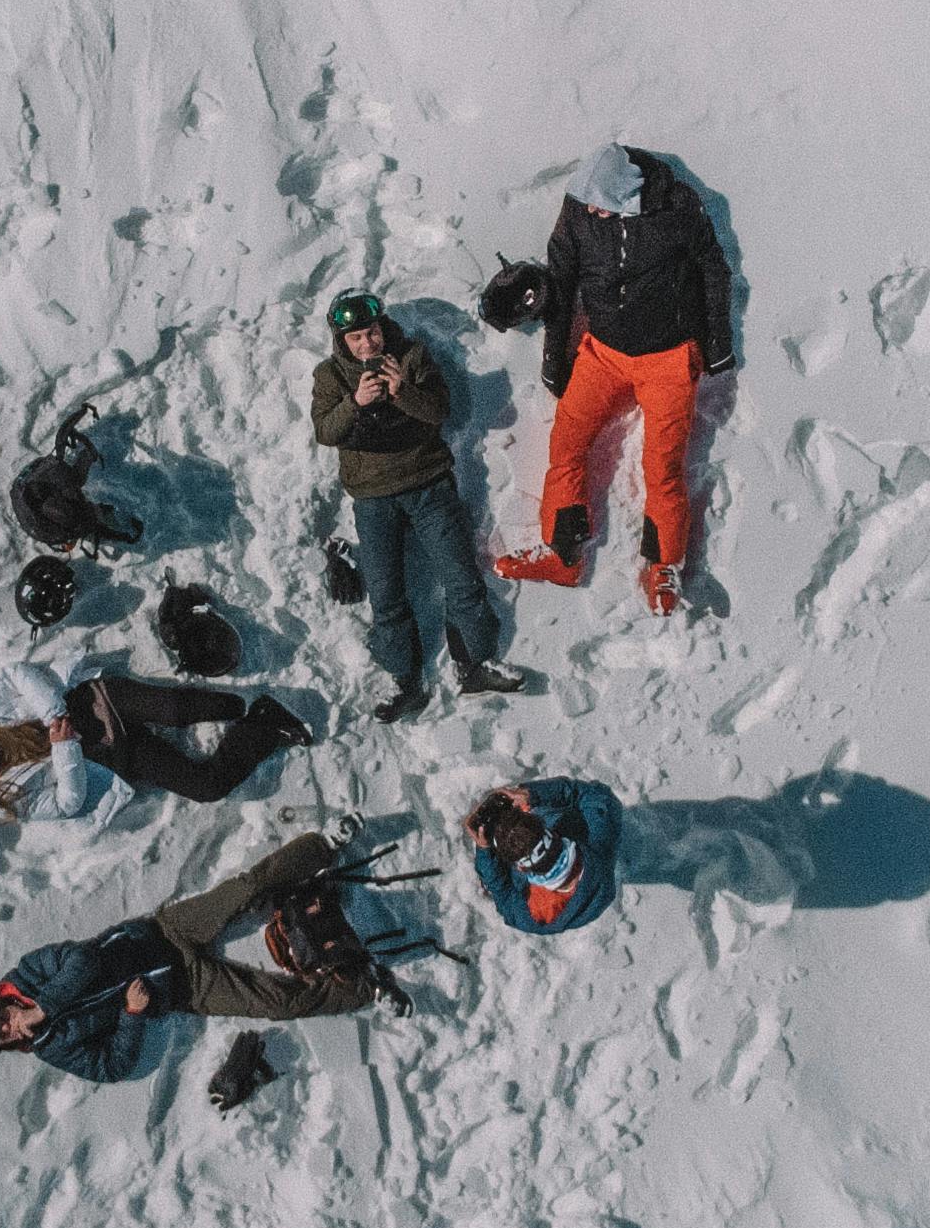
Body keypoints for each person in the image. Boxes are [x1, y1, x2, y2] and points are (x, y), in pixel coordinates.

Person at [0, 830, 393, 1105]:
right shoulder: (51, 1048)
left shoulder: (28, 975)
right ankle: (363, 988)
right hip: (183, 988)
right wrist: (131, 1015)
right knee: (277, 1002)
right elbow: (110, 1066)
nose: (8, 1030)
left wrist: (45, 1006)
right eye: (0, 1039)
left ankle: (323, 845)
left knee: (243, 890)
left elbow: (83, 958)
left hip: (164, 933)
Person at [493, 145, 732, 614]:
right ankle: (562, 554)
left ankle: (663, 566)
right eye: (589, 202)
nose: (595, 211)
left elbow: (712, 269)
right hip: (603, 354)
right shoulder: (579, 210)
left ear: (632, 196)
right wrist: (554, 359)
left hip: (669, 358)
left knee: (661, 466)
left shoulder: (677, 206)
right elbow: (560, 280)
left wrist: (718, 347)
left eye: (604, 203)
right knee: (566, 442)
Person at [310, 290, 521, 721]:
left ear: (381, 327)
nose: (367, 344)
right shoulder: (330, 375)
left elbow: (439, 410)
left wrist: (402, 391)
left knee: (461, 579)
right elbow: (325, 431)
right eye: (356, 339)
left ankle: (475, 663)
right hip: (372, 498)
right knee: (387, 595)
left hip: (428, 486)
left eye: (371, 333)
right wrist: (357, 402)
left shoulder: (412, 357)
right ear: (342, 342)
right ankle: (403, 680)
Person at [0, 653, 311, 828]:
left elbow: (16, 673)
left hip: (95, 702)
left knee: (178, 711)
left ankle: (240, 705)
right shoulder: (5, 800)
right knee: (205, 787)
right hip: (112, 755)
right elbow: (68, 803)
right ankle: (264, 722)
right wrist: (65, 750)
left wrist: (54, 716)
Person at [464, 778, 622, 935]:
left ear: (520, 867)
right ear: (552, 833)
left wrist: (485, 851)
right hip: (595, 887)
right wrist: (533, 796)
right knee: (557, 816)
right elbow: (598, 796)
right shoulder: (600, 844)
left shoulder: (535, 914)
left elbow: (504, 896)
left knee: (493, 876)